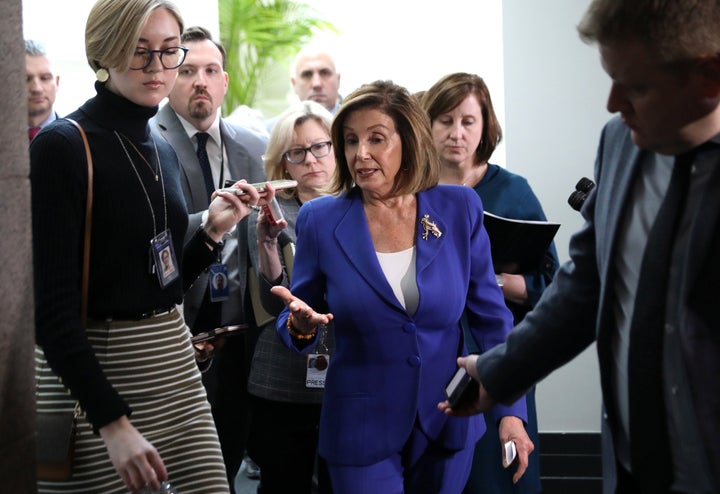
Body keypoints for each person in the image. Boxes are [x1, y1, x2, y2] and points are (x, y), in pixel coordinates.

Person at [438, 1, 720, 493]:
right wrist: (498, 372)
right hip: (633, 465)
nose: (612, 103)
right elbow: (584, 285)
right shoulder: (620, 143)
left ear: (708, 78)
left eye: (636, 86)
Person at [30, 1, 264, 493]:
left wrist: (211, 233)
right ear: (103, 53)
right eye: (140, 52)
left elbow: (162, 279)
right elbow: (50, 312)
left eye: (168, 50)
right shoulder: (63, 145)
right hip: (105, 367)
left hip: (173, 360)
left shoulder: (157, 145)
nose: (158, 67)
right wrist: (112, 423)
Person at [270, 80, 533, 493]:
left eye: (377, 139)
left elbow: (492, 320)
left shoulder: (459, 207)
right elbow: (298, 316)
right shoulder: (320, 220)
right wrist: (301, 325)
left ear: (408, 143)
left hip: (448, 418)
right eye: (351, 140)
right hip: (361, 425)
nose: (362, 154)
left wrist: (511, 411)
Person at [422, 72, 559, 494]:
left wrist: (499, 283)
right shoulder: (413, 191)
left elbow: (553, 283)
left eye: (468, 121)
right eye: (445, 121)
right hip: (430, 352)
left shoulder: (514, 191)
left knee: (500, 475)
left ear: (486, 128)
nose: (456, 133)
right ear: (427, 126)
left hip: (499, 348)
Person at [149, 25, 267, 492]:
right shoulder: (145, 142)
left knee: (233, 454)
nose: (200, 80)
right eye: (188, 70)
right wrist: (210, 221)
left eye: (211, 70)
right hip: (177, 330)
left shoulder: (254, 147)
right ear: (170, 78)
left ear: (225, 82)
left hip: (241, 331)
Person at [245, 100, 337, 494]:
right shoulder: (271, 213)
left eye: (320, 147)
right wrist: (267, 247)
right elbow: (270, 302)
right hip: (282, 373)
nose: (311, 160)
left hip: (344, 373)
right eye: (297, 153)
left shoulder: (362, 205)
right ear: (284, 165)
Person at [265, 45, 341, 132]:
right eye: (307, 74)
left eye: (325, 73)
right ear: (294, 84)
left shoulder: (356, 123)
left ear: (338, 80)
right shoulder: (271, 131)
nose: (317, 84)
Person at [25, 39, 60, 142]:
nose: (37, 89)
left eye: (45, 78)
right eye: (26, 79)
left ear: (57, 82)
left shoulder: (77, 136)